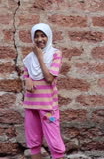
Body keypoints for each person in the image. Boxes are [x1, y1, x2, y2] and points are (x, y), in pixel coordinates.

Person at [22, 23, 66, 159]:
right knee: (33, 141)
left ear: (49, 36)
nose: (40, 39)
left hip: (48, 107)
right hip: (31, 105)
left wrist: (40, 56)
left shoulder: (55, 54)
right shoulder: (29, 58)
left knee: (54, 141)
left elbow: (49, 78)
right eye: (36, 36)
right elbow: (25, 75)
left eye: (43, 36)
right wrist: (26, 80)